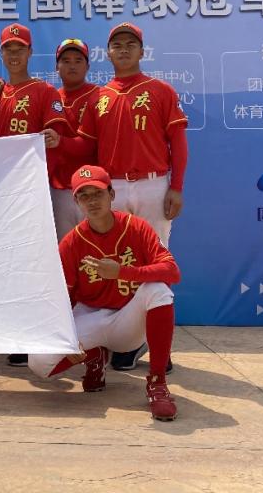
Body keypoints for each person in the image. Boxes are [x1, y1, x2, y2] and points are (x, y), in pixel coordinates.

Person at [45, 21, 188, 372]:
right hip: (113, 188)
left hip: (154, 184)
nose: (123, 50)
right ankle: (120, 342)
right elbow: (86, 146)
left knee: (155, 262)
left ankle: (158, 347)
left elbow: (178, 142)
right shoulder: (100, 97)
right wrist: (59, 143)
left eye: (130, 44)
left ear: (141, 51)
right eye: (117, 45)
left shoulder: (160, 90)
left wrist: (177, 186)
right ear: (108, 53)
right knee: (111, 259)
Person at [28, 165, 180, 421]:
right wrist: (65, 336)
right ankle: (94, 356)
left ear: (111, 194)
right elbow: (62, 297)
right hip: (91, 317)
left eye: (97, 193)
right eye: (84, 196)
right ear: (76, 202)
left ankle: (157, 383)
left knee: (158, 291)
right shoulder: (72, 242)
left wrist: (122, 272)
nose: (92, 201)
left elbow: (172, 272)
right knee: (39, 363)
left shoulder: (136, 227)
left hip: (127, 321)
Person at [0, 23, 74, 366]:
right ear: (1, 53)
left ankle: (33, 334)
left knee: (35, 263)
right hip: (1, 193)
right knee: (7, 263)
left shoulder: (44, 91)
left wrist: (52, 138)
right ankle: (12, 330)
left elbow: (56, 133)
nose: (14, 54)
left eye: (19, 48)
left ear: (30, 53)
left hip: (33, 192)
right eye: (8, 48)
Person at [50, 38, 100, 239]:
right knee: (65, 248)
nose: (72, 65)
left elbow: (90, 145)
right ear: (57, 66)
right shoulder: (50, 96)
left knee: (97, 247)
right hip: (59, 189)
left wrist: (60, 141)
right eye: (66, 61)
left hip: (92, 188)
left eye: (78, 60)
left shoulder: (100, 96)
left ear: (87, 66)